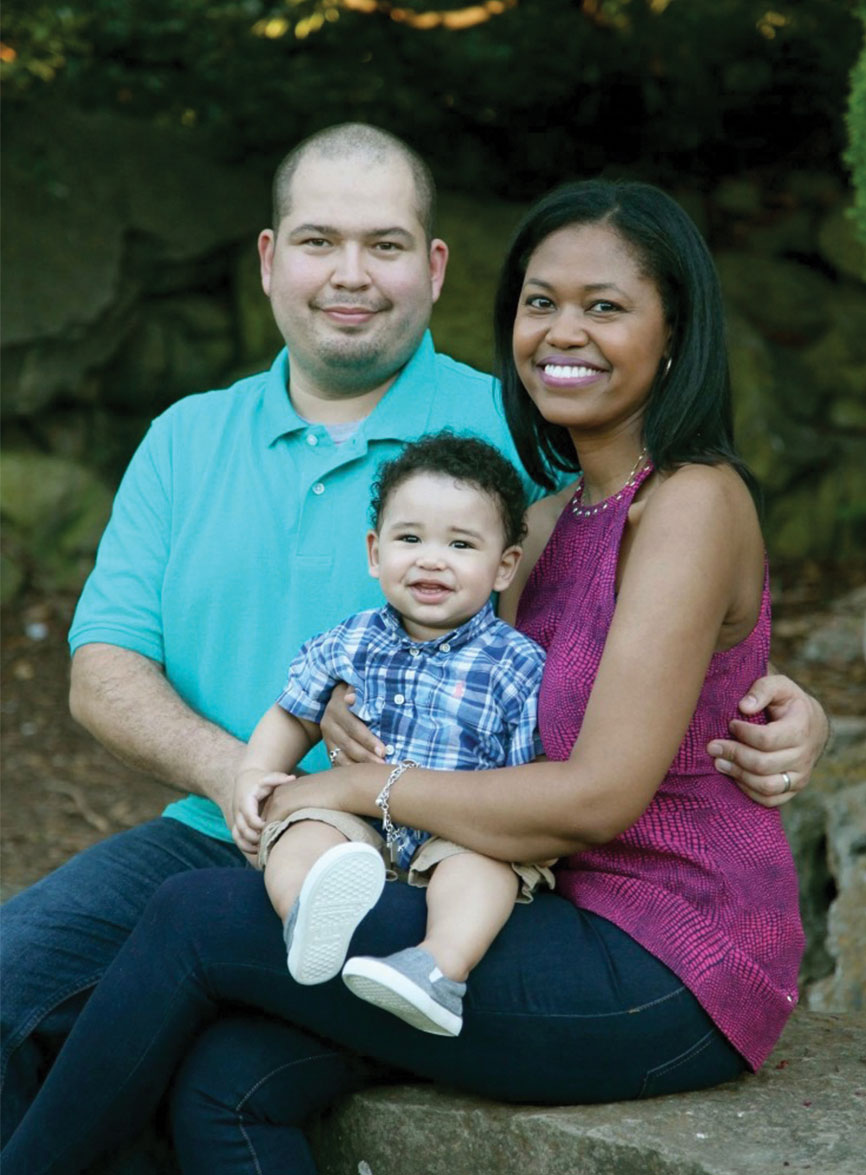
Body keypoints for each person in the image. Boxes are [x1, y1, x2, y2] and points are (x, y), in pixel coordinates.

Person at [2, 178, 808, 1175]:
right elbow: (464, 679)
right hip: (533, 902)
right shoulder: (545, 521)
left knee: (197, 918)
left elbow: (601, 791)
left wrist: (348, 785)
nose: (564, 330)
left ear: (676, 334)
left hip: (667, 954)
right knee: (229, 1075)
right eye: (539, 301)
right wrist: (342, 717)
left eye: (605, 306)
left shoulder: (690, 498)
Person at [234, 432, 551, 1037]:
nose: (431, 559)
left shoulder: (516, 665)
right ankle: (306, 915)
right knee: (303, 830)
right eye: (410, 539)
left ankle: (437, 970)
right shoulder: (352, 640)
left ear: (504, 565)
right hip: (363, 834)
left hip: (461, 830)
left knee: (483, 868)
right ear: (375, 552)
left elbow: (529, 777)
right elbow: (294, 711)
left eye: (461, 544)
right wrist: (254, 774)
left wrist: (508, 835)